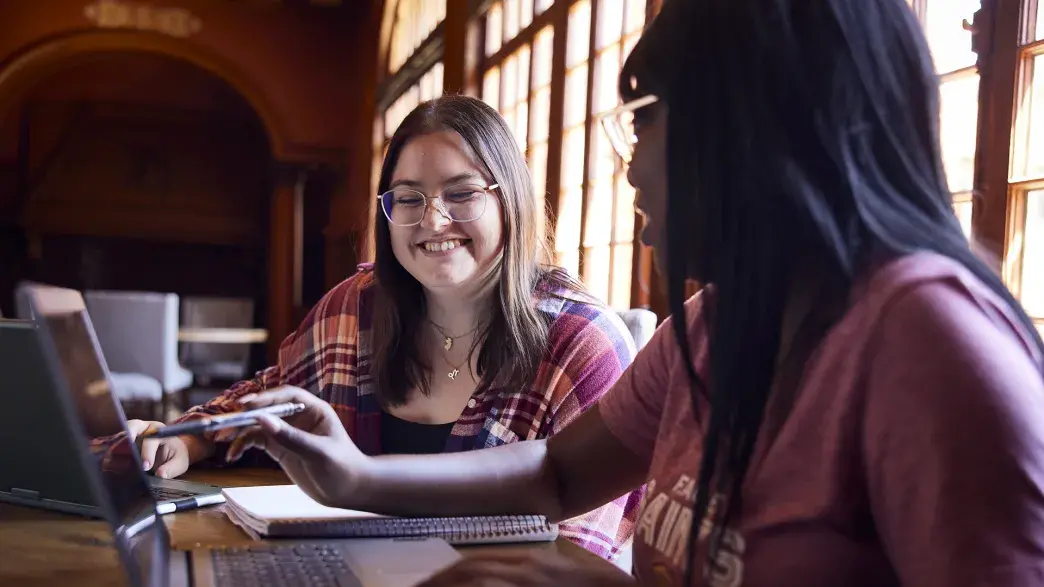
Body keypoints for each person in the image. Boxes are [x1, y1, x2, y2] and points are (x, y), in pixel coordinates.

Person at [216, 0, 1044, 585]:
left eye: (643, 119)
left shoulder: (931, 347)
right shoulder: (715, 324)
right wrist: (355, 478)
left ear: (748, 126)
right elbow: (554, 470)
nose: (629, 162)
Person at [126, 95, 642, 561]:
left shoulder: (582, 345)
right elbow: (266, 402)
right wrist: (189, 438)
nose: (434, 221)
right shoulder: (356, 309)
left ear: (511, 202)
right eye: (410, 198)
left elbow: (577, 557)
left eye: (462, 194)